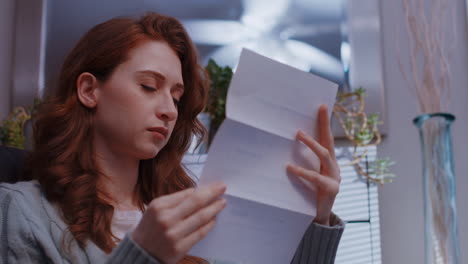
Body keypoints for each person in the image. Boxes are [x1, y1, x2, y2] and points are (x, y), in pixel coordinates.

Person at [0, 12, 344, 264]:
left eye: (177, 97)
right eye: (149, 86)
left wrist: (318, 217)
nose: (169, 109)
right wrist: (142, 253)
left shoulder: (193, 212)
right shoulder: (22, 211)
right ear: (90, 90)